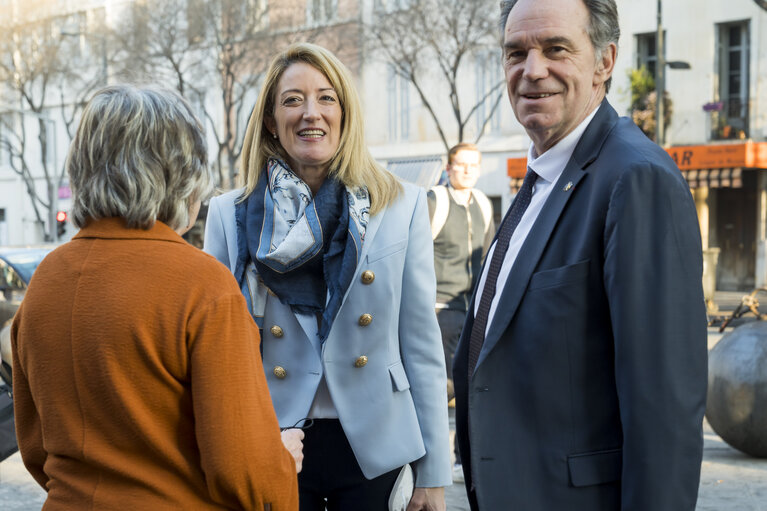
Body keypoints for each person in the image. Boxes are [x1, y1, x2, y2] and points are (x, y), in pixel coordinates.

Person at [452, 0, 708, 510]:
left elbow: (664, 415)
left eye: (556, 49)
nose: (533, 70)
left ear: (605, 62)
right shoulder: (539, 179)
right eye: (516, 53)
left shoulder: (635, 179)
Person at [11, 84, 301, 510]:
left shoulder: (45, 280)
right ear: (182, 174)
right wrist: (280, 459)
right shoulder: (204, 287)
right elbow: (240, 468)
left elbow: (36, 448)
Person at [203, 43, 450, 511]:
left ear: (346, 113)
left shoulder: (402, 206)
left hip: (375, 446)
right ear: (272, 122)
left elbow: (421, 346)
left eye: (326, 98)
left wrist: (433, 473)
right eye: (292, 100)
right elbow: (216, 353)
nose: (310, 113)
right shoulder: (229, 214)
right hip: (272, 442)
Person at [427, 143, 493, 481]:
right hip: (440, 310)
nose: (467, 170)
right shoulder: (434, 202)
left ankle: (459, 457)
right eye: (461, 164)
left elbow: (490, 260)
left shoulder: (482, 204)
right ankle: (436, 458)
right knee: (442, 388)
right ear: (449, 168)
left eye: (473, 165)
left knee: (468, 386)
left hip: (472, 311)